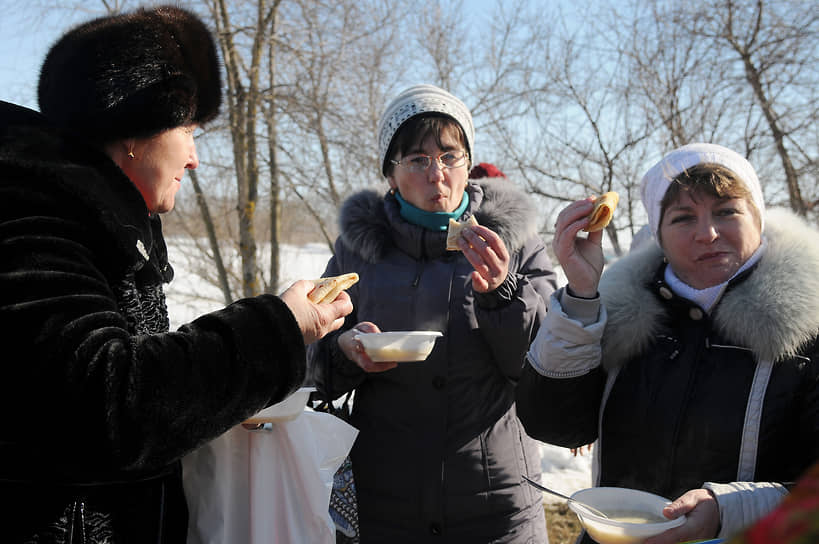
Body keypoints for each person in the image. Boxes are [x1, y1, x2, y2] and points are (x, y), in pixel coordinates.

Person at [0, 6, 351, 543]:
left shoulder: (104, 226)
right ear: (134, 129)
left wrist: (220, 404)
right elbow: (111, 402)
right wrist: (277, 328)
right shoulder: (35, 216)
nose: (194, 158)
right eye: (189, 129)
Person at [516, 142, 819, 544]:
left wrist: (727, 511)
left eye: (727, 211)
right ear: (657, 233)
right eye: (682, 218)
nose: (707, 233)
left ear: (758, 218)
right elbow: (554, 425)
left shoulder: (808, 329)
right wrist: (582, 295)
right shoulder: (624, 315)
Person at [308, 84, 557, 543]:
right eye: (417, 160)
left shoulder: (515, 243)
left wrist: (503, 291)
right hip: (385, 497)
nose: (437, 174)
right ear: (390, 174)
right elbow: (312, 364)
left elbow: (544, 367)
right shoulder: (358, 251)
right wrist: (344, 352)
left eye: (449, 156)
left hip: (496, 503)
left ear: (467, 164)